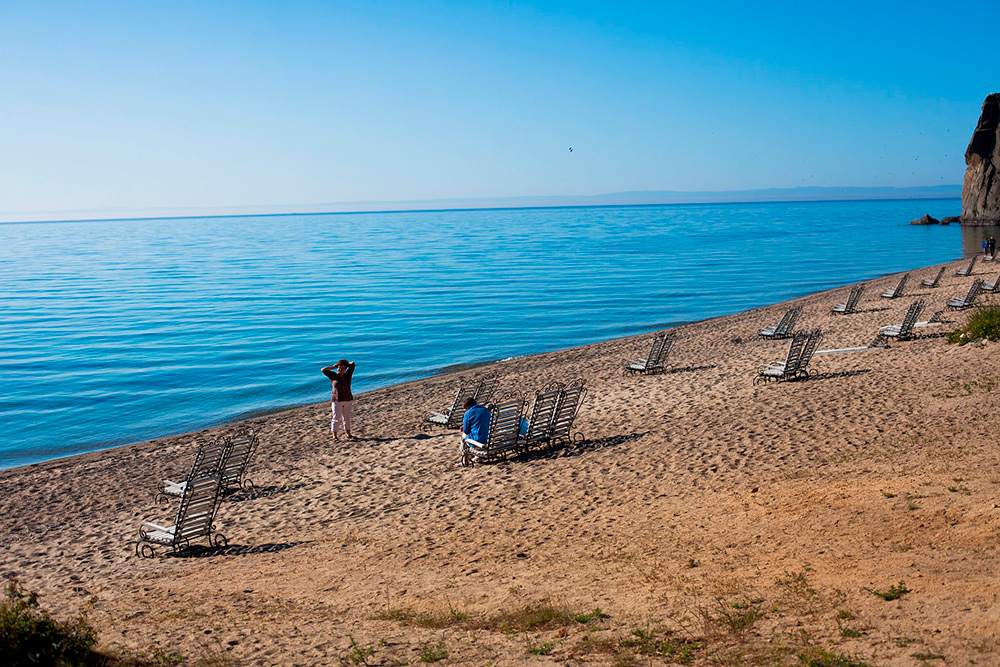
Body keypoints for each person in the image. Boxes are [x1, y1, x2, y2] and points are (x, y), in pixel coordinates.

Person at [321, 359, 355, 440]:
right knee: (336, 418)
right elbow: (323, 370)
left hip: (348, 399)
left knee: (347, 418)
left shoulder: (348, 375)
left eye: (342, 368)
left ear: (345, 369)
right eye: (339, 368)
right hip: (337, 400)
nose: (340, 369)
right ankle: (335, 436)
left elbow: (353, 364)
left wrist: (346, 364)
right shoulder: (333, 375)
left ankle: (348, 434)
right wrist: (334, 367)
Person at [459, 397, 491, 467]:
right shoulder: (485, 410)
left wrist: (464, 428)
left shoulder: (468, 413)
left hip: (480, 443)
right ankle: (477, 457)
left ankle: (465, 460)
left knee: (463, 437)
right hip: (489, 440)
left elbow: (466, 431)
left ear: (467, 407)